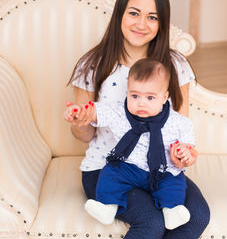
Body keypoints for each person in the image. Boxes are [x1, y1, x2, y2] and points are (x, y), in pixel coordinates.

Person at [65, 0, 210, 239]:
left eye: (152, 17)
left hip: (159, 170)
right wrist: (81, 122)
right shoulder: (92, 65)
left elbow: (178, 128)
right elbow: (84, 136)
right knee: (152, 223)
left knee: (197, 215)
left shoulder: (175, 66)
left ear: (162, 23)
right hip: (109, 168)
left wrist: (181, 154)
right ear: (120, 13)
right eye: (134, 13)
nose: (141, 24)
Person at [65, 59, 196, 230]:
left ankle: (172, 210)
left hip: (161, 171)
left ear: (164, 97)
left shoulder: (178, 122)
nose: (141, 103)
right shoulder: (119, 112)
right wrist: (79, 111)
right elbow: (96, 112)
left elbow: (190, 150)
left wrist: (185, 154)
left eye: (150, 97)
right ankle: (107, 206)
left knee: (174, 182)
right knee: (111, 172)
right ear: (127, 92)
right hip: (129, 168)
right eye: (135, 96)